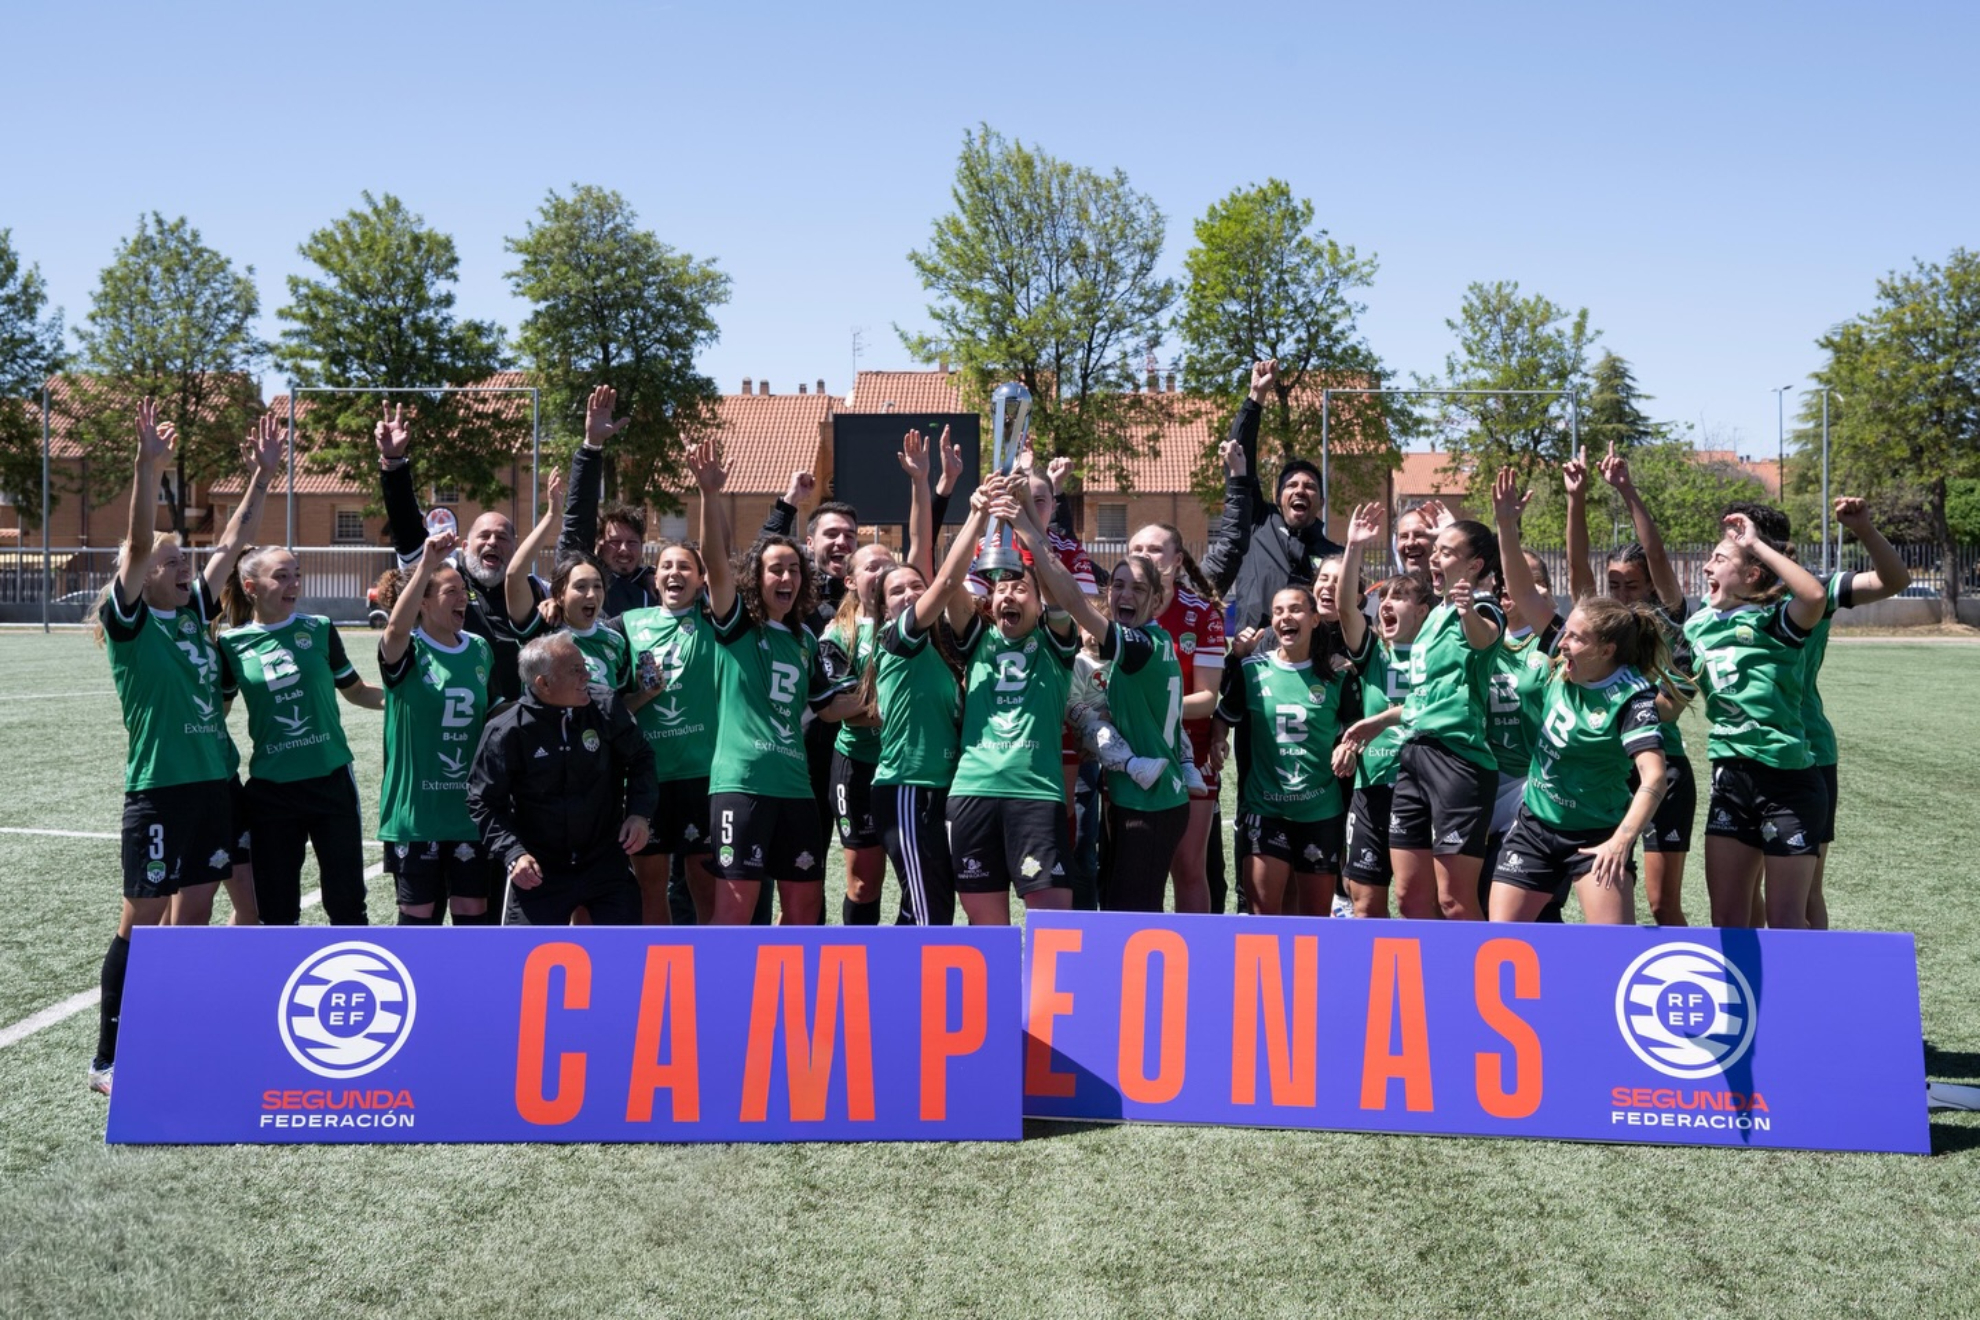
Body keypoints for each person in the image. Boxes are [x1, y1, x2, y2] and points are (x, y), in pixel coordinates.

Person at [87, 401, 280, 1095]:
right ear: (143, 574)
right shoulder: (132, 625)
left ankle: (178, 1034)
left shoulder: (196, 612)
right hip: (160, 790)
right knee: (142, 924)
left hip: (215, 786)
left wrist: (262, 477)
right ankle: (108, 1058)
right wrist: (148, 468)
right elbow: (139, 544)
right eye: (172, 561)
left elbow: (233, 540)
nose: (184, 566)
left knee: (193, 918)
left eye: (183, 560)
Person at [704, 480, 863, 927]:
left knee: (805, 909)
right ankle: (721, 978)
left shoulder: (804, 640)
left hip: (796, 787)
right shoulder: (737, 626)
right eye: (776, 569)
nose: (787, 578)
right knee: (735, 910)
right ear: (755, 578)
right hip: (743, 784)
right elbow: (715, 564)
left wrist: (885, 698)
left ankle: (790, 977)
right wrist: (709, 495)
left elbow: (828, 707)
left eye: (794, 569)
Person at [215, 544, 384, 926]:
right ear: (250, 586)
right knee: (277, 912)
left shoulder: (319, 628)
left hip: (331, 780)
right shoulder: (230, 645)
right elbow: (218, 712)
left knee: (347, 904)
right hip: (272, 791)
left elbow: (356, 690)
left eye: (296, 575)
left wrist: (410, 702)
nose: (293, 584)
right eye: (281, 576)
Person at [1345, 519, 1505, 921]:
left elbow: (1483, 638)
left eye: (1446, 552)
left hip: (1458, 761)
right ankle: (1433, 965)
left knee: (1453, 901)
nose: (1435, 557)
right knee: (1409, 899)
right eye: (1436, 550)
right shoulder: (1433, 617)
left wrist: (1467, 612)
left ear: (1474, 565)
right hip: (1412, 756)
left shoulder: (1482, 607)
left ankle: (1474, 964)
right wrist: (1382, 720)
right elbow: (1426, 696)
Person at [1566, 443, 1699, 925]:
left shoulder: (1669, 622)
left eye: (1633, 585)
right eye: (1614, 585)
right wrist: (1576, 499)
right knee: (1601, 889)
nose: (1622, 595)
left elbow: (1666, 710)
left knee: (1663, 905)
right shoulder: (1598, 627)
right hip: (1605, 772)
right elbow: (1577, 567)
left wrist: (1627, 490)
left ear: (1651, 588)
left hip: (1662, 771)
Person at [942, 476, 1083, 922]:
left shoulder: (1055, 645)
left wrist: (1024, 523)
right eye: (1000, 588)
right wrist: (977, 514)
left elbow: (1059, 585)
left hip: (1035, 794)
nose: (1007, 593)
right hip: (973, 792)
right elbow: (948, 581)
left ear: (1040, 605)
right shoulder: (976, 639)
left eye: (1020, 587)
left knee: (1052, 929)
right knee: (988, 935)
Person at [1684, 511, 1832, 929]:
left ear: (1751, 575)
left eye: (1719, 559)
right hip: (1730, 779)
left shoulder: (1773, 622)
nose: (1707, 567)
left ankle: (1805, 978)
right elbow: (1671, 699)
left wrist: (1754, 543)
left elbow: (1814, 596)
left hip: (1788, 782)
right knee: (1727, 919)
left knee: (1786, 920)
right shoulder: (1696, 627)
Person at [1488, 596, 1674, 924]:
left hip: (1597, 834)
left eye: (1576, 637)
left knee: (1613, 946)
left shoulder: (1632, 698)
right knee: (1503, 939)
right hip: (1536, 825)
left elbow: (1655, 777)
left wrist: (1620, 841)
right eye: (1565, 633)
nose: (1562, 643)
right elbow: (1521, 587)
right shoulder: (1565, 664)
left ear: (1606, 651)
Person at [868, 435, 990, 926]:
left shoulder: (942, 650)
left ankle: (891, 973)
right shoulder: (896, 639)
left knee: (929, 904)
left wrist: (923, 482)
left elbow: (923, 552)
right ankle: (905, 979)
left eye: (913, 587)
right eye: (896, 591)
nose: (907, 594)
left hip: (942, 788)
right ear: (884, 608)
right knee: (929, 911)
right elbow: (943, 578)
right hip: (906, 787)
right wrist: (977, 513)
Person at [615, 438, 731, 925]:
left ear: (701, 580)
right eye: (666, 566)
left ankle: (710, 967)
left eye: (685, 566)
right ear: (654, 577)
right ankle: (656, 967)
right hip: (648, 777)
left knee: (706, 894)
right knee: (650, 892)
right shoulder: (627, 625)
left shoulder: (716, 622)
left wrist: (708, 494)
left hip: (703, 776)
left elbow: (720, 559)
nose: (674, 573)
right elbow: (614, 702)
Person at [468, 633, 656, 925]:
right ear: (543, 683)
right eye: (575, 670)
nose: (587, 676)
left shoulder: (605, 706)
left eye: (585, 667)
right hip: (539, 867)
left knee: (625, 949)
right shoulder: (506, 731)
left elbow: (642, 758)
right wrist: (513, 853)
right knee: (521, 953)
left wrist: (639, 814)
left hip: (604, 861)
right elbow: (482, 801)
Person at [1795, 496, 1910, 928]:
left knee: (1806, 890)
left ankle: (1811, 970)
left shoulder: (1815, 591)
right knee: (1747, 891)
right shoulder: (1725, 600)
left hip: (1810, 751)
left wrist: (1864, 530)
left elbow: (1893, 580)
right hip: (1742, 756)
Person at [374, 531, 499, 925]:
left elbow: (493, 714)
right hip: (417, 813)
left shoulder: (479, 649)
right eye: (450, 591)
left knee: (472, 910)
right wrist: (426, 564)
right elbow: (394, 632)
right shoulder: (408, 649)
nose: (463, 598)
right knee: (419, 913)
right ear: (423, 603)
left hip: (467, 811)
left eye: (464, 590)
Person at [1216, 584, 1363, 916]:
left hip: (1320, 811)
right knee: (1265, 918)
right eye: (1278, 611)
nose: (1286, 617)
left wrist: (1349, 748)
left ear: (1314, 619)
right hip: (1265, 808)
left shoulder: (1337, 673)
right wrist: (1218, 739)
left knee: (1312, 920)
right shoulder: (1252, 670)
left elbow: (1357, 728)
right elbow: (1225, 714)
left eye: (1295, 609)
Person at [377, 404, 540, 702]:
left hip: (517, 719)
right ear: (465, 546)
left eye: (503, 537)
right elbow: (408, 533)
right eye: (484, 536)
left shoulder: (534, 589)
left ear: (515, 550)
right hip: (456, 719)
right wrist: (394, 464)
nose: (493, 542)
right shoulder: (443, 576)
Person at [1126, 496, 1234, 915]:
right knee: (1137, 867)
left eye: (1155, 549)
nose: (1144, 555)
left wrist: (1148, 711)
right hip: (1133, 752)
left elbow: (1207, 700)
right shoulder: (1116, 611)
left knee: (1188, 866)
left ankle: (1196, 950)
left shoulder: (1202, 614)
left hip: (1191, 752)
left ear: (1176, 561)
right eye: (1137, 549)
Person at [1200, 358, 1346, 633]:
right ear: (1278, 499)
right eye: (1291, 485)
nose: (1300, 490)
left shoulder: (1335, 557)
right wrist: (1256, 396)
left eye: (1310, 486)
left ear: (1322, 503)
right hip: (1252, 653)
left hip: (1309, 657)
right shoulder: (1259, 522)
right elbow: (1238, 458)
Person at [1483, 471, 1567, 905]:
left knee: (1530, 903)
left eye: (1523, 578)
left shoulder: (1558, 645)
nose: (1510, 586)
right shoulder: (1478, 637)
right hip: (1479, 784)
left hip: (1532, 785)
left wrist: (1507, 527)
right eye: (1505, 576)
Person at [1335, 572, 1433, 916]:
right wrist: (1355, 547)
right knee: (1363, 901)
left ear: (1422, 610)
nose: (1386, 604)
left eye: (1399, 597)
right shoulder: (1374, 652)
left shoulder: (1439, 653)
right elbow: (1346, 609)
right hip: (1372, 786)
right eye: (1384, 598)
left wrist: (1381, 720)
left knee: (1417, 903)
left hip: (1423, 787)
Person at [555, 384, 661, 616]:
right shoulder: (585, 579)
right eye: (615, 541)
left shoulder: (655, 591)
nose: (624, 549)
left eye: (632, 542)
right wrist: (592, 446)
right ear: (598, 544)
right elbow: (579, 514)